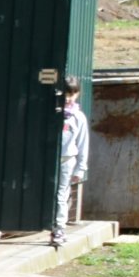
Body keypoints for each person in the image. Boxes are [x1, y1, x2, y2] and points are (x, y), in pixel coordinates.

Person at [53, 75, 90, 248]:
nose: (68, 99)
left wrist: (80, 169)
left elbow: (83, 144)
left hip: (66, 160)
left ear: (77, 94)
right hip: (49, 161)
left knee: (61, 195)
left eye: (72, 94)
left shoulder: (78, 117)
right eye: (65, 94)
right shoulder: (54, 113)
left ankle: (59, 228)